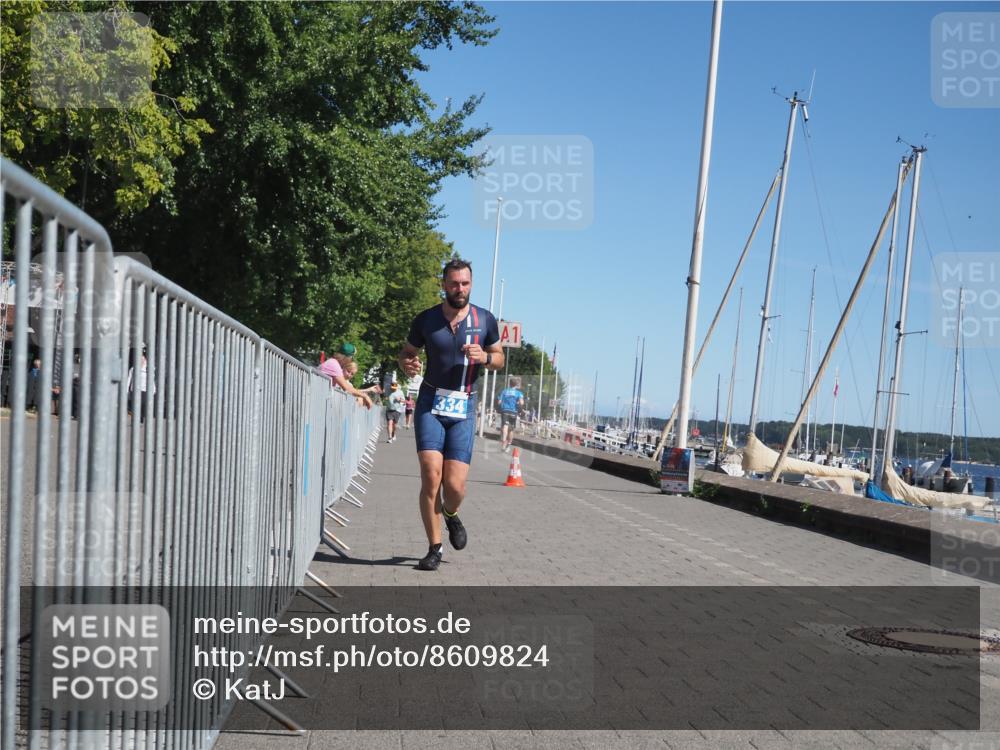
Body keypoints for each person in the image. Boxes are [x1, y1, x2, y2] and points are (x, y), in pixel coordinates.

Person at [398, 258, 503, 571]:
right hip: (431, 402)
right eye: (455, 283)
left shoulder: (485, 319)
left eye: (466, 283)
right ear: (443, 284)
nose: (460, 289)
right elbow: (407, 352)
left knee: (455, 487)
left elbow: (499, 358)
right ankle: (434, 547)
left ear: (471, 284)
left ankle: (452, 514)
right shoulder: (426, 319)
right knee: (431, 476)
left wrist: (485, 356)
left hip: (464, 405)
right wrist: (408, 363)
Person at [320, 342, 372, 409]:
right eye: (351, 358)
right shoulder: (334, 364)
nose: (351, 361)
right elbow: (348, 388)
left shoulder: (333, 363)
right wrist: (365, 396)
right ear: (347, 357)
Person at [496, 376, 525, 452]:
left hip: (505, 410)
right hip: (513, 411)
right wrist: (518, 404)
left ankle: (503, 442)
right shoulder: (519, 393)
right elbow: (522, 403)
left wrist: (503, 403)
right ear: (516, 385)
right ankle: (509, 444)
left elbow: (499, 402)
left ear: (509, 384)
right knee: (511, 430)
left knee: (505, 426)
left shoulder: (504, 391)